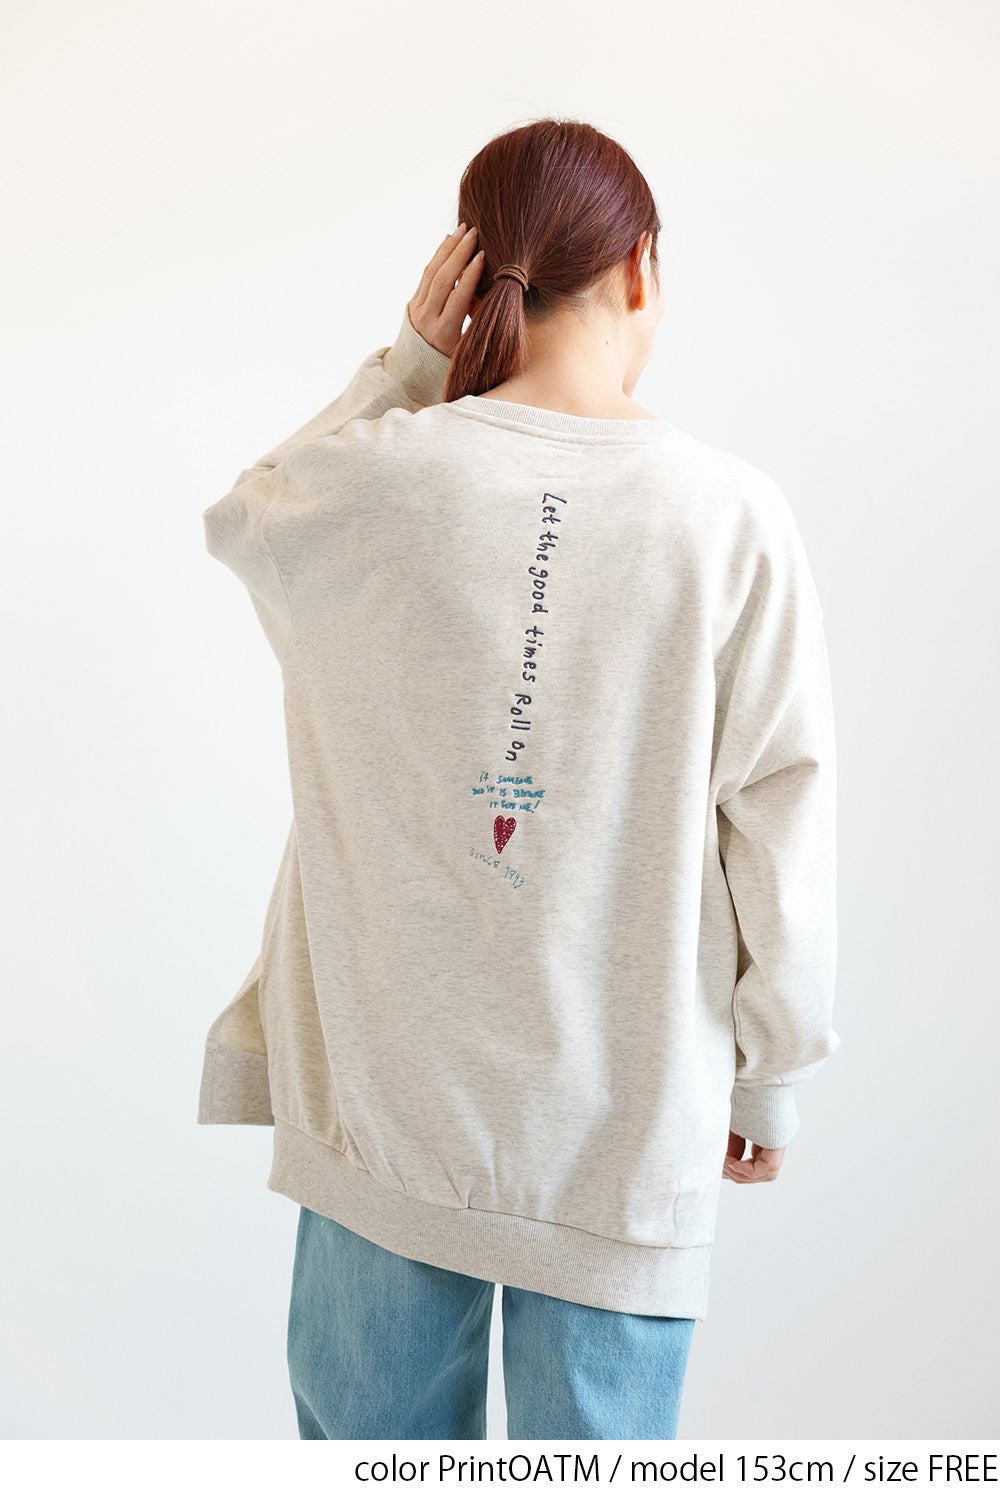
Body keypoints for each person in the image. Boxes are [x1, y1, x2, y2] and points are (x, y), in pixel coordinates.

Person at [196, 117, 839, 1441]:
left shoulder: (370, 484)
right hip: (626, 1132)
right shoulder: (728, 516)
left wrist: (408, 365)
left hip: (385, 1112)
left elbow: (244, 519)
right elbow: (780, 806)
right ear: (641, 269)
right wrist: (770, 1067)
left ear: (475, 271)